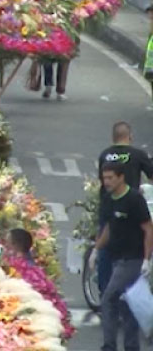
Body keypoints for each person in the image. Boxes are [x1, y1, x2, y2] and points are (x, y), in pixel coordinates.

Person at [96, 161, 153, 351]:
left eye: (111, 178)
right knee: (126, 305)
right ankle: (131, 346)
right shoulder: (108, 198)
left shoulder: (134, 199)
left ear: (121, 177)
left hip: (132, 260)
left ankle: (109, 346)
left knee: (108, 299)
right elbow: (109, 227)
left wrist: (146, 259)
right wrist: (97, 249)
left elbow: (148, 229)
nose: (107, 182)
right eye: (104, 178)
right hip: (116, 258)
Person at [96, 122, 153, 293]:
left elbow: (102, 181)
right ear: (130, 136)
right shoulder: (138, 154)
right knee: (136, 243)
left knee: (105, 244)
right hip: (132, 206)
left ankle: (105, 288)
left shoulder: (104, 155)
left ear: (113, 138)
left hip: (107, 204)